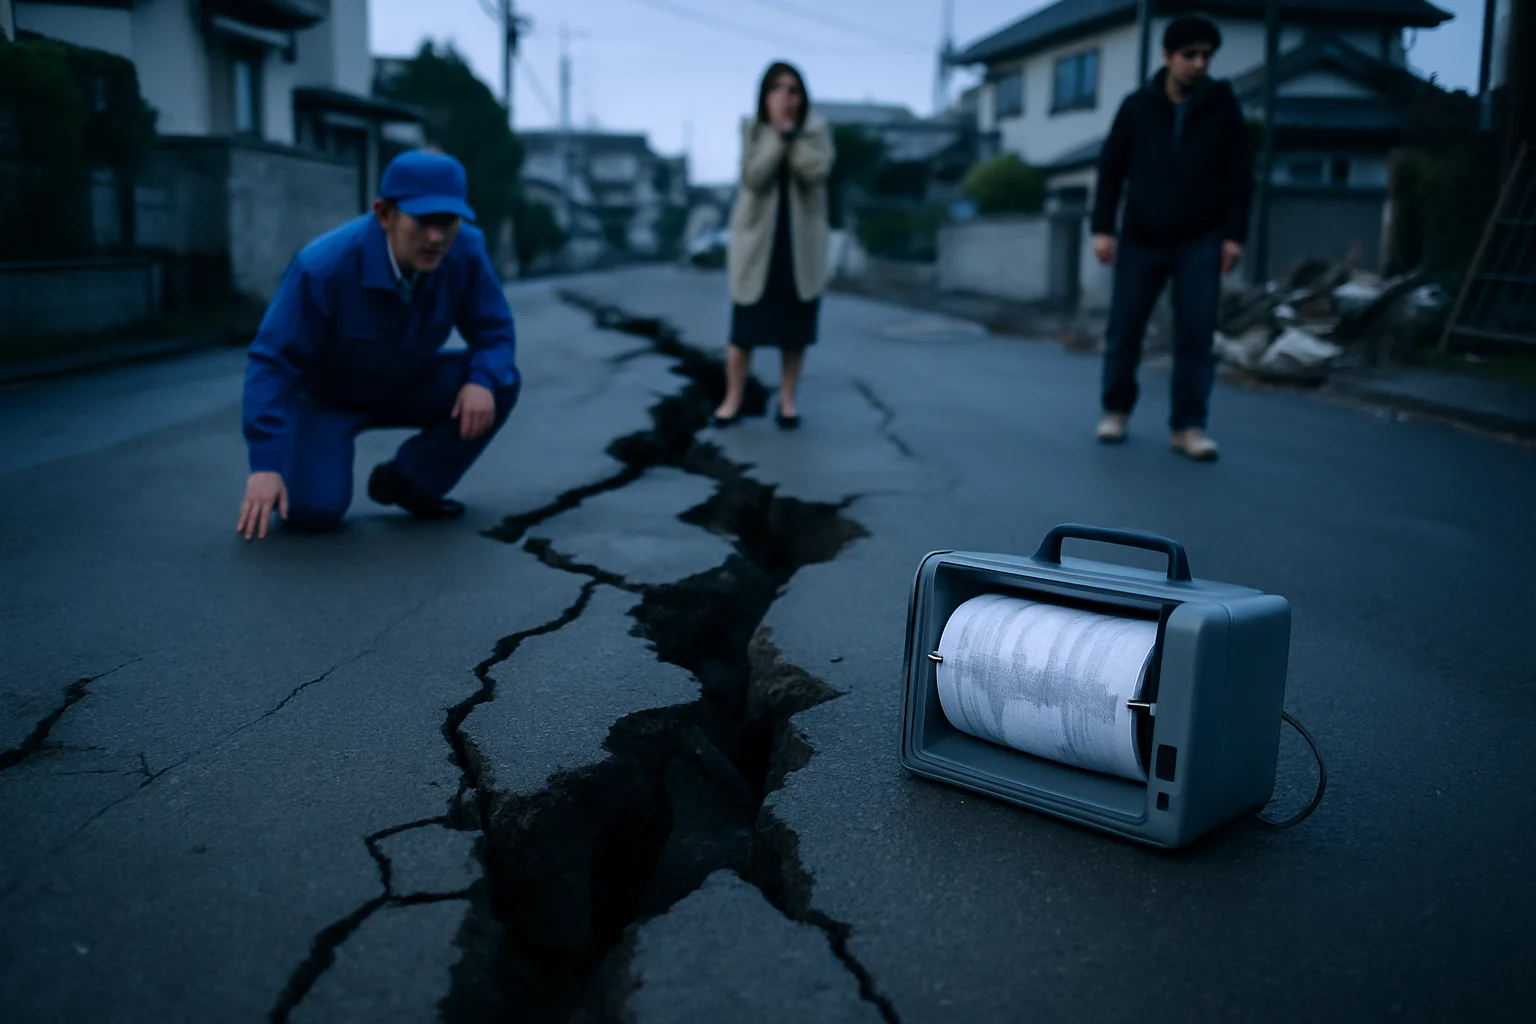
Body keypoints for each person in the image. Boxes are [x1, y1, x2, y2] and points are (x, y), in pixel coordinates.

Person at [235, 149, 520, 541]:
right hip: (329, 399)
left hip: (408, 382)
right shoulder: (323, 267)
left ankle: (410, 481)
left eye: (447, 222)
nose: (436, 238)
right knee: (311, 512)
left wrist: (482, 380)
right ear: (384, 214)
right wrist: (265, 464)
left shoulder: (465, 251)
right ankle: (310, 473)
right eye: (422, 222)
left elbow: (495, 331)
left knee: (500, 381)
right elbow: (273, 361)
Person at [1091, 13, 1254, 462]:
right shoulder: (1137, 106)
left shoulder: (1223, 107)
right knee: (1125, 328)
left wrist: (1234, 236)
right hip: (1141, 238)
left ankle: (1188, 427)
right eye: (1190, 55)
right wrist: (1102, 228)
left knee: (1196, 332)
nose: (1200, 63)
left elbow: (1241, 176)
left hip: (1200, 239)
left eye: (1207, 55)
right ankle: (1116, 412)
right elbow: (1110, 170)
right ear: (1167, 56)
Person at [714, 61, 835, 430]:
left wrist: (793, 138)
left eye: (793, 89)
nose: (786, 96)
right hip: (757, 247)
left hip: (800, 246)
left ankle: (787, 401)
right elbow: (752, 177)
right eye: (778, 88)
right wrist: (776, 138)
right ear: (765, 96)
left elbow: (816, 172)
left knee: (794, 333)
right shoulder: (753, 130)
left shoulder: (816, 131)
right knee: (743, 333)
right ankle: (731, 399)